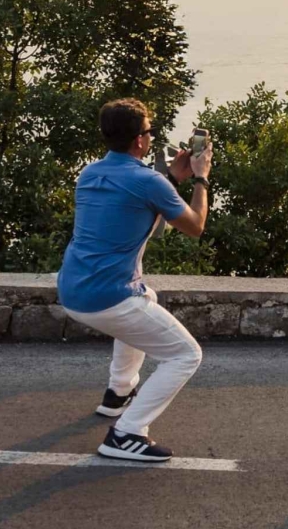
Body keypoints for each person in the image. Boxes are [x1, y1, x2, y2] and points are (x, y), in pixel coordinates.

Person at [57, 98, 213, 463]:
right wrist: (201, 176)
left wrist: (172, 178)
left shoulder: (89, 173)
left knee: (148, 300)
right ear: (140, 141)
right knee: (186, 355)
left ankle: (119, 392)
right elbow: (195, 226)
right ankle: (127, 433)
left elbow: (138, 209)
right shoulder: (148, 182)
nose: (150, 136)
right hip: (108, 297)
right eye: (148, 131)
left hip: (71, 288)